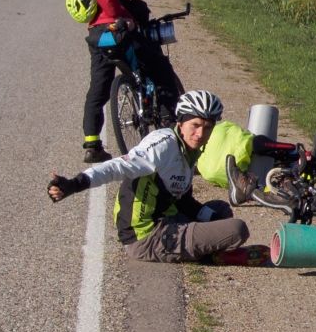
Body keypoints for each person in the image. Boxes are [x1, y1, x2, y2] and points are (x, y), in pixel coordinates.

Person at [47, 90, 269, 266]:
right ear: (180, 123)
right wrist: (74, 184)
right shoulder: (163, 145)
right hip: (146, 236)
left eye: (207, 128)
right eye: (195, 125)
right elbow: (116, 167)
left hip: (169, 219)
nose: (200, 134)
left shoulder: (190, 151)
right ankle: (212, 255)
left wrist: (211, 220)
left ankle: (207, 249)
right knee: (237, 229)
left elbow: (182, 199)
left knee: (220, 212)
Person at [79, 0, 183, 163]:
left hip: (97, 33)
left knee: (99, 86)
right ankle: (171, 132)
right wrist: (121, 18)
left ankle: (92, 144)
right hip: (116, 30)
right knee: (161, 69)